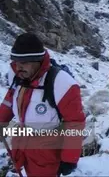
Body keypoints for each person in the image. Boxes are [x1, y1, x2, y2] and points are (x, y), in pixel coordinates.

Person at [0, 33, 85, 176]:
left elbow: (75, 122)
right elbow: (10, 99)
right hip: (23, 143)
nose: (18, 66)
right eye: (16, 61)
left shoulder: (62, 82)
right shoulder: (16, 76)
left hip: (48, 151)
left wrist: (69, 158)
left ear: (38, 60)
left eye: (24, 62)